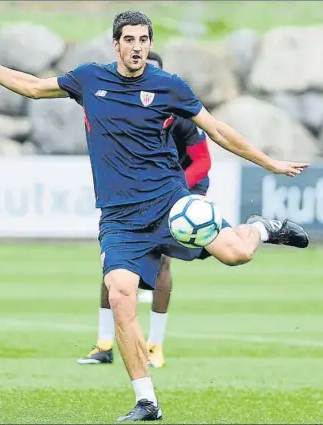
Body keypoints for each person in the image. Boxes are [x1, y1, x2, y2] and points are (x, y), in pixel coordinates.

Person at [0, 10, 310, 422]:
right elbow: (30, 86)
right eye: (130, 39)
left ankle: (261, 227)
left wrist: (269, 163)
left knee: (237, 254)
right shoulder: (89, 79)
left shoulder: (170, 86)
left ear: (150, 44)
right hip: (120, 219)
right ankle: (147, 401)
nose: (137, 47)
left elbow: (218, 129)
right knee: (120, 294)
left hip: (171, 203)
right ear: (115, 43)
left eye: (144, 40)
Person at [77, 51, 212, 369]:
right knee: (113, 266)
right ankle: (103, 344)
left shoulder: (179, 113)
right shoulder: (121, 110)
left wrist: (173, 189)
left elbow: (203, 161)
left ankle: (155, 346)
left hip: (180, 190)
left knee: (163, 262)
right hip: (138, 195)